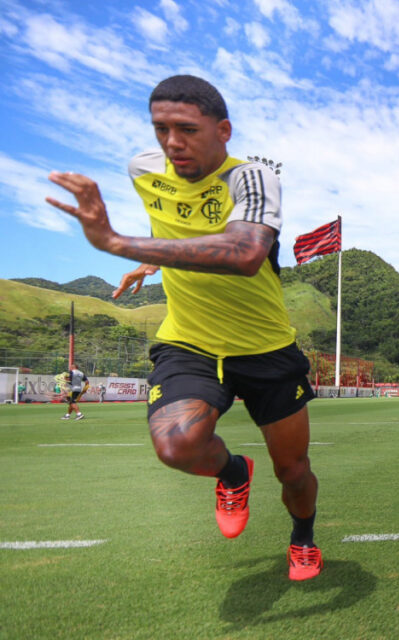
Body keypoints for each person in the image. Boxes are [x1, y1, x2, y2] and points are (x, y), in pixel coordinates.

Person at [46, 75, 322, 580]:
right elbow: (167, 216)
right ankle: (233, 472)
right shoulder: (144, 170)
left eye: (187, 130)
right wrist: (149, 261)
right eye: (161, 129)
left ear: (224, 131)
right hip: (189, 341)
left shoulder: (253, 178)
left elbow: (244, 253)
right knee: (177, 445)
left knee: (294, 471)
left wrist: (116, 243)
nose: (172, 143)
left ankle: (303, 538)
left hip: (265, 347)